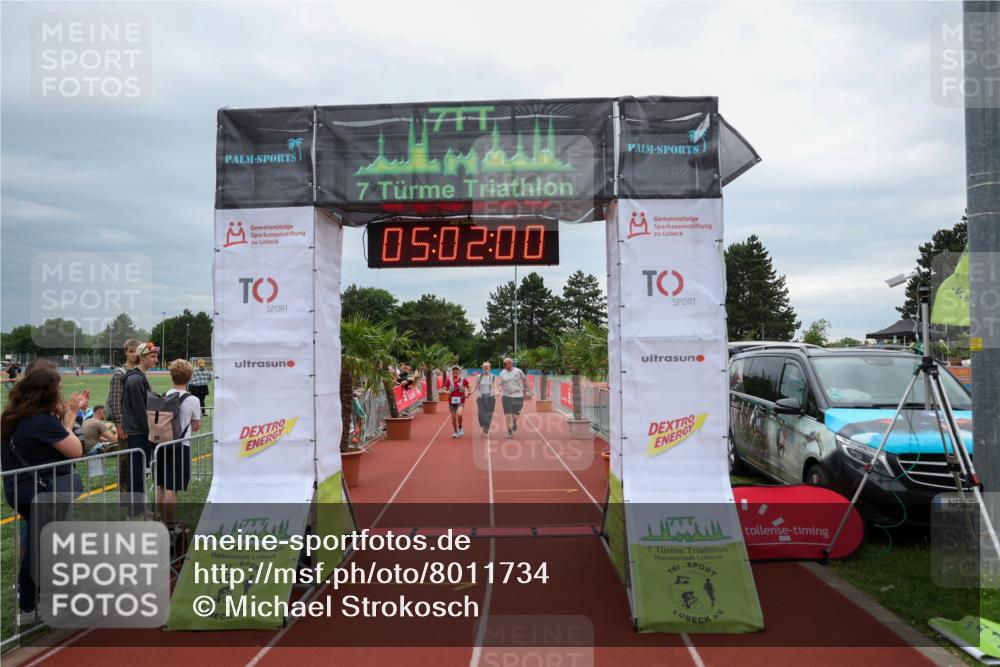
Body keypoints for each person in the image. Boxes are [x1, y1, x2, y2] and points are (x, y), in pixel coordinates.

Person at [1, 367, 85, 619]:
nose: (59, 392)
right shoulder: (41, 420)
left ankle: (62, 591)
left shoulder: (11, 416)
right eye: (57, 387)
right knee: (39, 547)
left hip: (18, 489)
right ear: (47, 392)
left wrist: (68, 415)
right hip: (41, 492)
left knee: (47, 541)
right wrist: (70, 415)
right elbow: (75, 449)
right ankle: (28, 606)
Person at [157, 360, 201, 525]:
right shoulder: (193, 400)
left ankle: (161, 518)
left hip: (162, 444)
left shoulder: (164, 395)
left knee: (161, 484)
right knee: (172, 487)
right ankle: (170, 523)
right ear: (189, 377)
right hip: (180, 445)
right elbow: (196, 425)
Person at [121, 341, 160, 514]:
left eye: (156, 356)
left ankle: (138, 508)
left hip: (139, 431)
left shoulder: (139, 377)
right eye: (152, 356)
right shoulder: (136, 379)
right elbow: (140, 410)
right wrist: (151, 431)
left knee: (139, 472)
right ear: (142, 357)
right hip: (138, 432)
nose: (156, 359)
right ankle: (136, 510)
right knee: (136, 472)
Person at [106, 339, 141, 493]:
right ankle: (126, 505)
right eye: (131, 351)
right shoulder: (119, 374)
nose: (134, 354)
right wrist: (119, 425)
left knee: (138, 465)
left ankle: (138, 505)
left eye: (136, 351)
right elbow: (115, 401)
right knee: (126, 465)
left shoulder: (140, 372)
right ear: (125, 352)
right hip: (126, 427)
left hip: (138, 426)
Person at [499, 357, 532, 439]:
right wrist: (498, 390)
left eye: (505, 364)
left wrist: (529, 389)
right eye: (503, 364)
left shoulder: (518, 371)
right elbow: (500, 384)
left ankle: (514, 422)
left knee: (515, 416)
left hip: (518, 396)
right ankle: (509, 431)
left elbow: (525, 380)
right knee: (508, 415)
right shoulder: (502, 373)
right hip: (506, 396)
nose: (504, 365)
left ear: (511, 363)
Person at [443, 365, 470, 438]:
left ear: (459, 372)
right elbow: (444, 389)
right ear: (452, 372)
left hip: (461, 400)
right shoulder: (449, 380)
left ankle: (460, 427)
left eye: (456, 371)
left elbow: (469, 387)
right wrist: (446, 392)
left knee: (460, 414)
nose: (455, 373)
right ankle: (455, 432)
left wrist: (467, 392)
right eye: (454, 371)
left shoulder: (463, 380)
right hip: (451, 401)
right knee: (454, 417)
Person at [474, 361, 497, 436]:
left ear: (490, 368)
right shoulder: (479, 376)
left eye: (487, 366)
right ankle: (482, 426)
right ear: (482, 368)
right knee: (481, 414)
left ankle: (486, 430)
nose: (486, 368)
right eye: (484, 367)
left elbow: (494, 386)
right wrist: (470, 392)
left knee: (489, 415)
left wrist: (496, 392)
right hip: (481, 397)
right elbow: (475, 386)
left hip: (491, 397)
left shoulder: (493, 376)